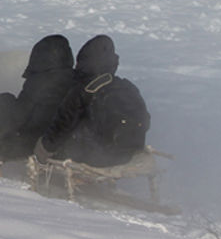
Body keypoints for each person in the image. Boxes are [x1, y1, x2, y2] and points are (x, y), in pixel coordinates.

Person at [36, 34, 150, 167]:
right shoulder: (128, 86)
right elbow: (145, 119)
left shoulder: (85, 90)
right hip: (128, 155)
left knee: (61, 141)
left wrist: (44, 148)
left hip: (95, 157)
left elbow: (63, 124)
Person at [0, 34, 77, 161]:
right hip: (58, 140)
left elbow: (20, 116)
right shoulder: (75, 78)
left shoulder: (39, 81)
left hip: (31, 140)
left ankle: (0, 138)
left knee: (4, 99)